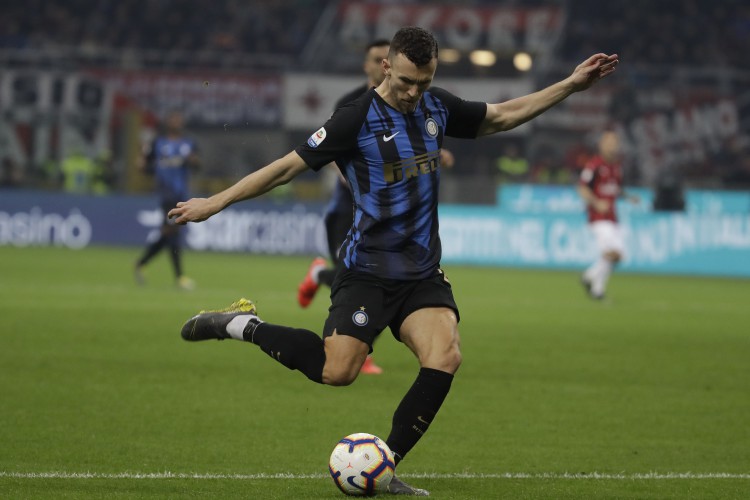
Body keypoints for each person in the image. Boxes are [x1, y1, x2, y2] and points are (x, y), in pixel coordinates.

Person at [170, 27, 618, 495]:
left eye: (423, 82)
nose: (413, 92)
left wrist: (571, 84)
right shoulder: (353, 119)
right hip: (367, 269)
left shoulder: (436, 106)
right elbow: (286, 167)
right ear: (386, 66)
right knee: (337, 371)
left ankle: (384, 467)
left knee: (445, 355)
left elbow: (502, 116)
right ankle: (242, 325)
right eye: (405, 81)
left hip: (421, 272)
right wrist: (214, 202)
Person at [135, 111, 200, 290]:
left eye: (179, 120)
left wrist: (193, 161)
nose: (177, 122)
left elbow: (197, 165)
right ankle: (180, 277)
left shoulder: (189, 143)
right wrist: (143, 162)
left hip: (181, 195)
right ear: (168, 122)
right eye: (174, 119)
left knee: (169, 233)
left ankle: (141, 263)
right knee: (173, 232)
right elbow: (143, 165)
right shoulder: (158, 143)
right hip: (166, 194)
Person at [577, 130, 638, 300]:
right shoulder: (594, 165)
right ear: (601, 145)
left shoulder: (617, 167)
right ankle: (591, 280)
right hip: (598, 217)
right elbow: (582, 187)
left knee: (617, 256)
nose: (613, 146)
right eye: (609, 142)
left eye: (615, 142)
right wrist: (596, 202)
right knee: (612, 253)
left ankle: (594, 285)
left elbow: (615, 188)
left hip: (612, 217)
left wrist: (628, 197)